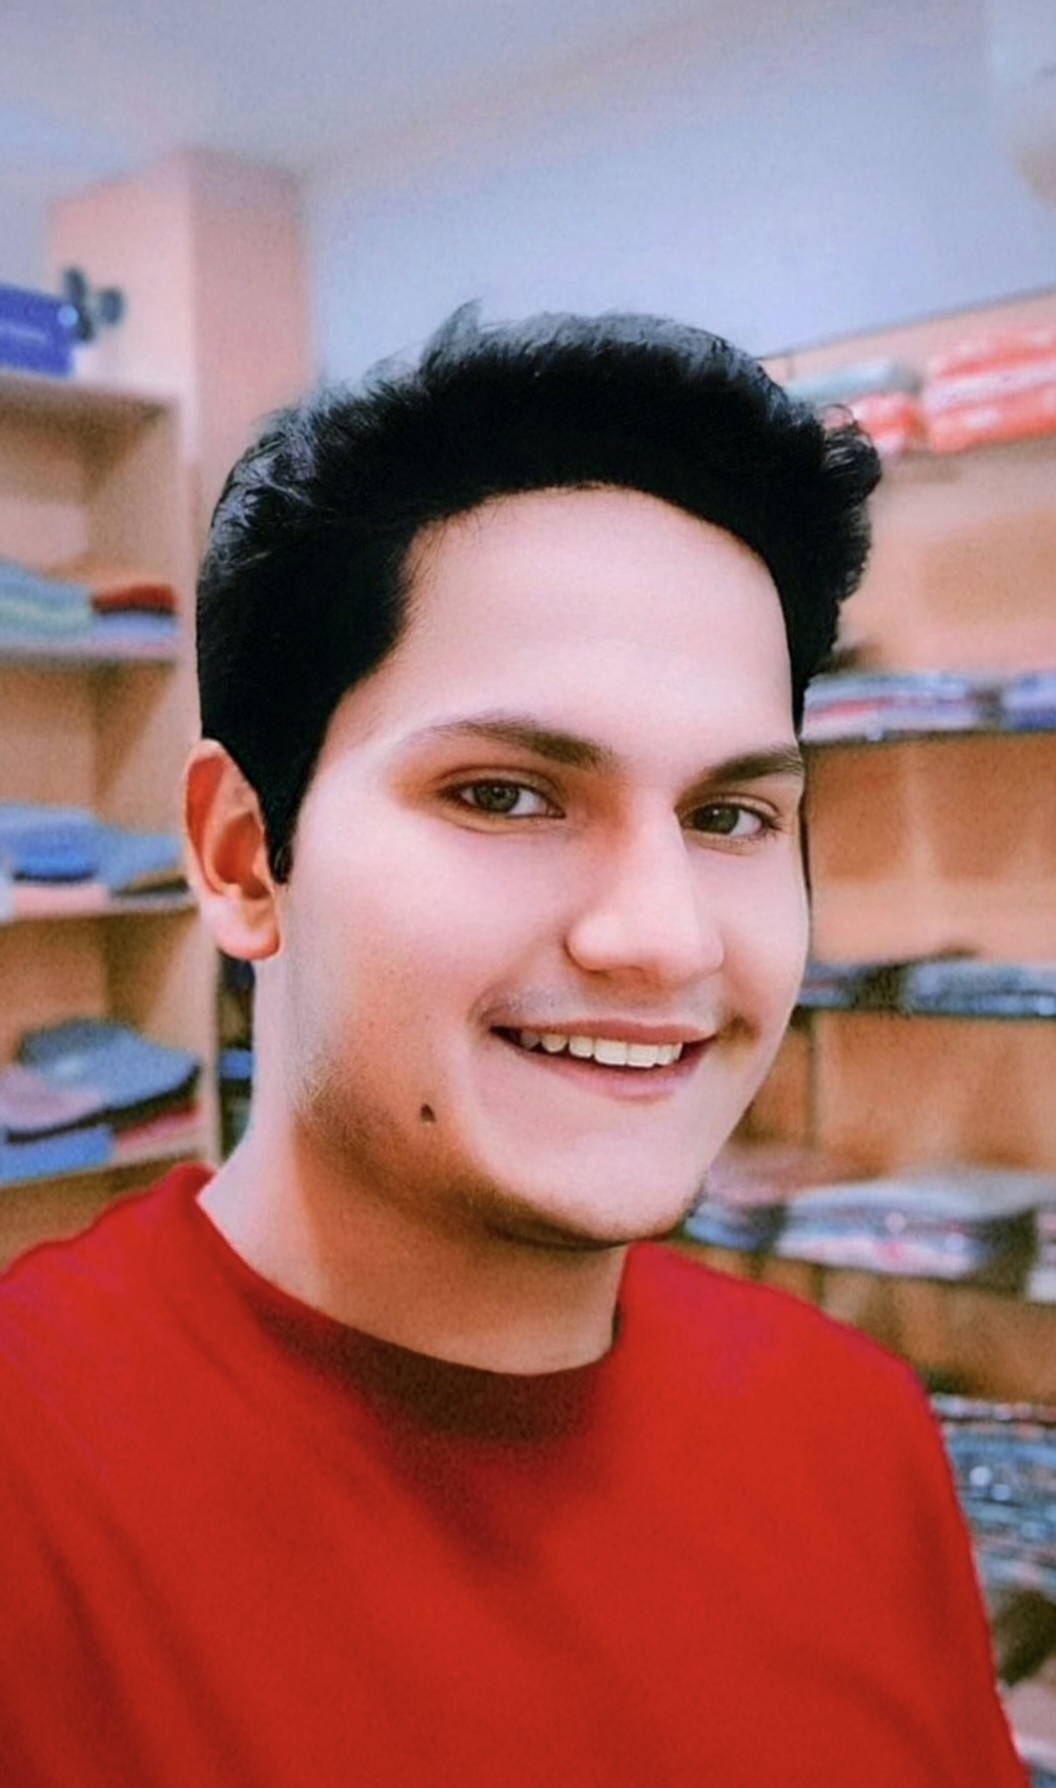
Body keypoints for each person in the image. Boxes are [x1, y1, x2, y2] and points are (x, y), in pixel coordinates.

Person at [0, 307, 1027, 1787]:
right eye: (505, 795)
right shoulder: (41, 1492)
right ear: (241, 859)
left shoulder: (855, 1434)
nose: (665, 939)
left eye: (732, 816)